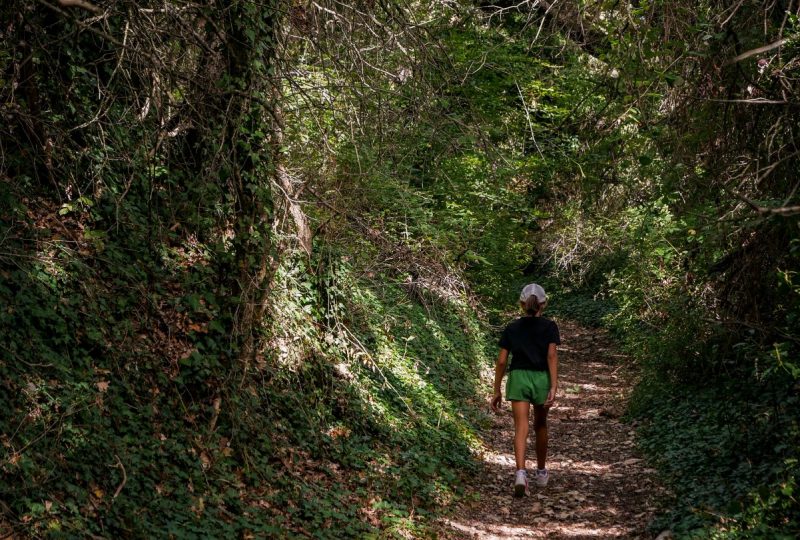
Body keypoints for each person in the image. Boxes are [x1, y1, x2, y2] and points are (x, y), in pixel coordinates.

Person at [491, 283, 560, 497]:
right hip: (541, 378)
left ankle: (520, 474)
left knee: (521, 427)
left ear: (522, 304)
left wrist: (496, 389)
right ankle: (541, 472)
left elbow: (502, 361)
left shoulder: (512, 328)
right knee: (540, 424)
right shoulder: (550, 327)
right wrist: (554, 385)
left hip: (518, 377)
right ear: (543, 304)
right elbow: (551, 356)